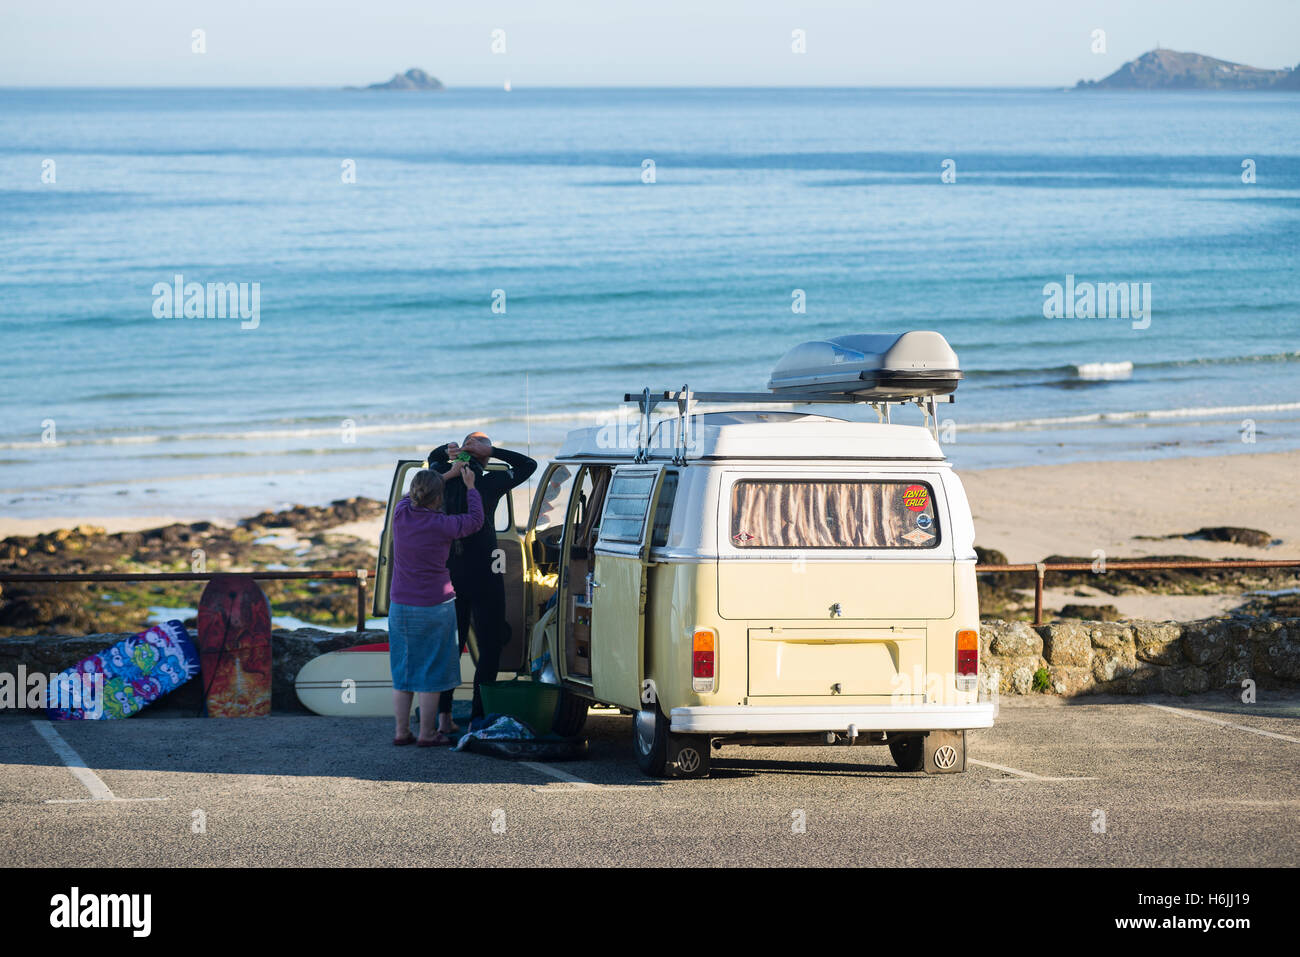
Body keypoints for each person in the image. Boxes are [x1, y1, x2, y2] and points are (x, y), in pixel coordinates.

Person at [427, 432, 537, 720]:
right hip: (485, 573)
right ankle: (479, 714)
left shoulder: (441, 477)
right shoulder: (490, 483)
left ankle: (444, 717)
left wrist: (448, 450)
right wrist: (493, 450)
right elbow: (528, 465)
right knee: (490, 645)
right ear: (483, 458)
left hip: (449, 573)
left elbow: (433, 459)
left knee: (451, 645)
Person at [388, 463, 483, 746]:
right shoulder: (443, 525)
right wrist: (470, 487)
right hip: (435, 606)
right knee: (431, 672)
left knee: (403, 672)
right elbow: (475, 520)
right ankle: (428, 734)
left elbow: (413, 492)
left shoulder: (401, 514)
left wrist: (446, 474)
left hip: (400, 605)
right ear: (438, 498)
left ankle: (402, 732)